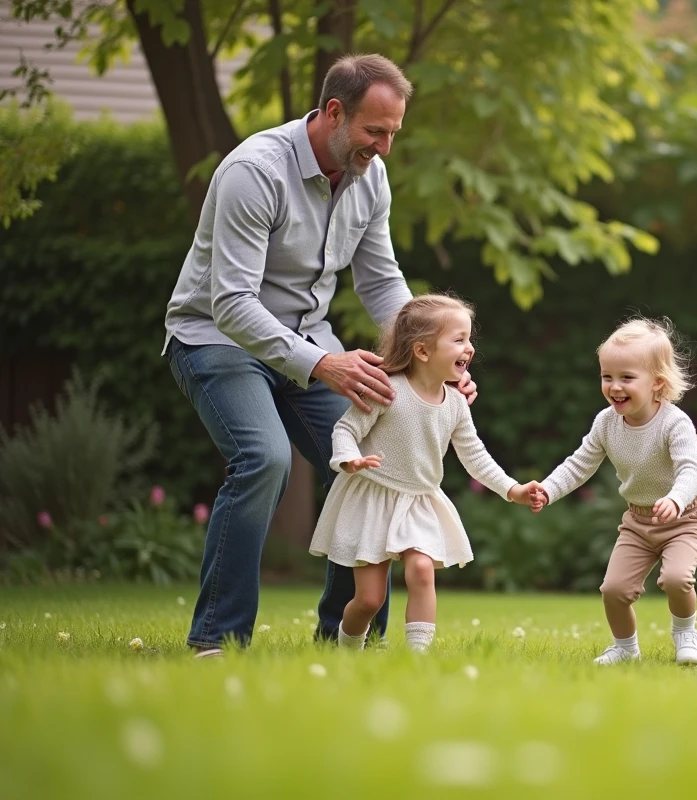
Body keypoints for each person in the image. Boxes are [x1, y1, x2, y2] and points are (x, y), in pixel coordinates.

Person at [162, 53, 477, 657]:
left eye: (392, 133)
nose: (384, 147)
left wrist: (435, 361)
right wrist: (319, 363)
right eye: (373, 131)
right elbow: (229, 302)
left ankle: (346, 638)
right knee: (264, 459)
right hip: (216, 338)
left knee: (375, 454)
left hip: (309, 340)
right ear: (334, 112)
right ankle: (217, 641)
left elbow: (382, 282)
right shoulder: (255, 172)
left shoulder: (370, 176)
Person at [308, 294, 545, 652]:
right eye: (458, 339)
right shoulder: (386, 390)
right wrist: (349, 459)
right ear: (422, 351)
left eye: (469, 339)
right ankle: (346, 648)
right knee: (369, 600)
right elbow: (345, 430)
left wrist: (513, 490)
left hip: (419, 500)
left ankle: (419, 657)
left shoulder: (455, 405)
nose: (469, 348)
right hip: (374, 497)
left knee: (422, 570)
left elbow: (475, 456)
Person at [536, 318, 697, 666]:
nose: (615, 387)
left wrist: (675, 500)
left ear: (657, 382)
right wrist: (548, 490)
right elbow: (579, 464)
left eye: (627, 378)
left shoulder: (675, 423)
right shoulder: (606, 423)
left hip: (684, 518)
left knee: (676, 579)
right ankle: (625, 648)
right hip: (638, 522)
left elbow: (691, 471)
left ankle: (685, 633)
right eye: (607, 377)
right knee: (613, 591)